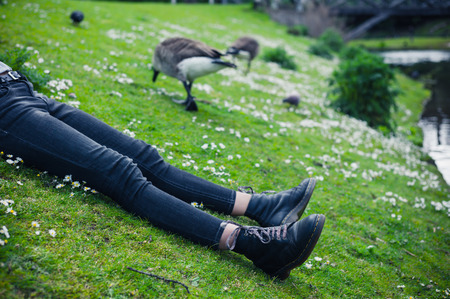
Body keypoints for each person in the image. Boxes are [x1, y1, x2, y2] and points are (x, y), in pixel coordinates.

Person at [0, 60, 325, 280]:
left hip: (19, 88)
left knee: (143, 156)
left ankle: (260, 207)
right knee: (117, 169)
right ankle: (252, 244)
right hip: (6, 113)